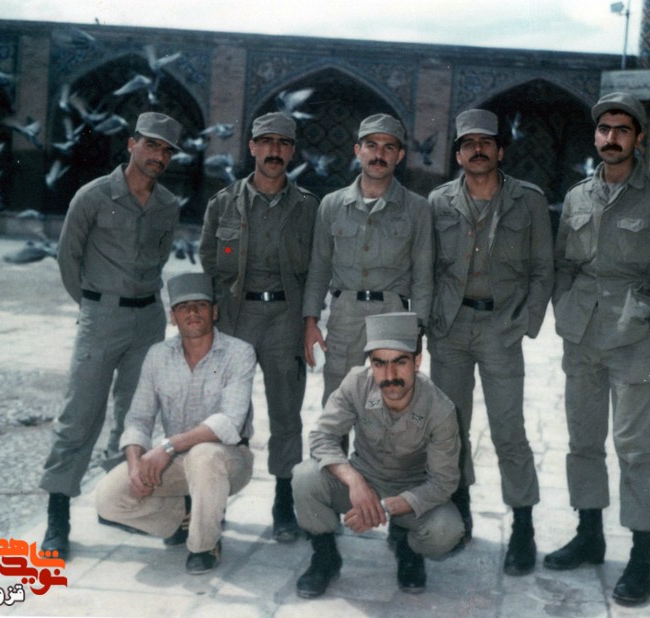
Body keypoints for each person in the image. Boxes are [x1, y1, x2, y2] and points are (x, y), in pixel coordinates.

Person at [545, 92, 650, 605]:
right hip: (582, 335)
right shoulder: (578, 196)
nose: (611, 138)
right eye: (604, 129)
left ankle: (642, 555)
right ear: (596, 135)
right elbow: (564, 262)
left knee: (636, 449)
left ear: (638, 138)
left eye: (622, 130)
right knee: (583, 440)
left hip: (633, 336)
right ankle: (589, 534)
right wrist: (564, 305)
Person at [40, 112, 184, 559]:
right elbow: (68, 258)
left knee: (134, 415)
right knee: (80, 413)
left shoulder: (167, 205)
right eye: (152, 145)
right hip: (101, 317)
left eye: (167, 150)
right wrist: (94, 306)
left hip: (148, 319)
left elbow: (160, 258)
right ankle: (58, 517)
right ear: (131, 144)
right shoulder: (93, 196)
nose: (159, 156)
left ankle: (115, 504)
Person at [427, 109, 554, 576]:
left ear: (501, 150)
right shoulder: (439, 201)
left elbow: (544, 269)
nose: (477, 150)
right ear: (458, 154)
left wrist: (525, 322)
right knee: (450, 427)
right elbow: (427, 267)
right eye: (468, 144)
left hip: (502, 328)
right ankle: (459, 511)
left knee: (508, 430)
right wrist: (428, 322)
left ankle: (522, 526)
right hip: (451, 329)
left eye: (486, 142)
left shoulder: (528, 201)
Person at [199, 112, 318, 543]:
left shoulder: (308, 207)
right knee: (229, 413)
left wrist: (309, 321)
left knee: (286, 414)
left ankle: (284, 504)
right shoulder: (224, 203)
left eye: (282, 144)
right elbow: (209, 262)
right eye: (266, 142)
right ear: (251, 147)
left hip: (285, 318)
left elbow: (317, 269)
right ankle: (216, 496)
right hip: (237, 318)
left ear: (292, 151)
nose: (274, 151)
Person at [292, 312, 463, 598]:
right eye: (379, 363)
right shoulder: (356, 383)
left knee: (447, 529)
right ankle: (324, 556)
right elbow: (322, 436)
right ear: (370, 363)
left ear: (417, 362)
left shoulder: (440, 409)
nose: (390, 375)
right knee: (304, 477)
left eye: (400, 362)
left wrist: (384, 508)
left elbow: (444, 482)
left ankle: (408, 550)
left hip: (412, 491)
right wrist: (354, 481)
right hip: (364, 478)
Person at [95, 272, 256, 574]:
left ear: (214, 311)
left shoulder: (239, 352)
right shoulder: (158, 355)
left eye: (200, 305)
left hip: (229, 459)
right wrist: (134, 462)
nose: (192, 312)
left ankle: (204, 544)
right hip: (176, 460)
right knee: (108, 498)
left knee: (204, 455)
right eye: (183, 307)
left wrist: (167, 446)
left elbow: (229, 422)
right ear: (173, 317)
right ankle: (184, 516)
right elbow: (138, 417)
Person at [302, 113, 433, 407]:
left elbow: (424, 277)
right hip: (344, 313)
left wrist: (416, 332)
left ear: (400, 155)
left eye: (389, 147)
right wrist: (310, 321)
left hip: (393, 315)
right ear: (357, 151)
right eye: (371, 145)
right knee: (337, 399)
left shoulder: (417, 208)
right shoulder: (332, 204)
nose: (379, 154)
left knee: (391, 400)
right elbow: (319, 268)